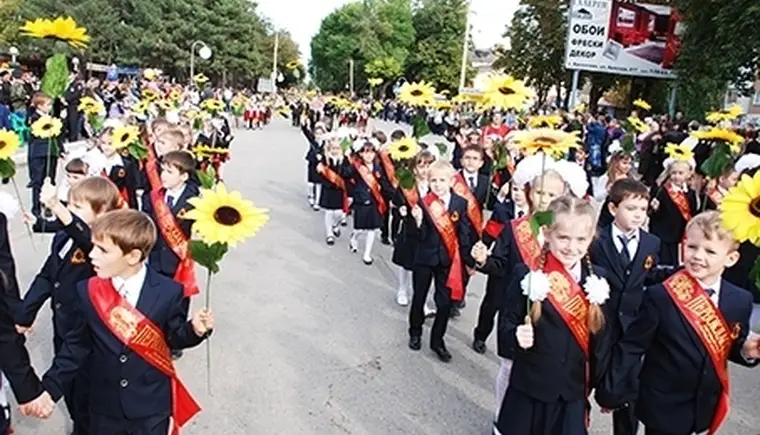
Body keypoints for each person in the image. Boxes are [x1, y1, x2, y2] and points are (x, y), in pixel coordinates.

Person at [31, 209, 214, 433]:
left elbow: (173, 337)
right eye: (94, 246)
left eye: (103, 250)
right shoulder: (88, 291)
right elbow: (76, 346)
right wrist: (50, 388)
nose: (92, 255)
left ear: (133, 256)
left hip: (150, 405)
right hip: (104, 406)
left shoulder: (168, 291)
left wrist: (194, 330)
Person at [596, 211, 760, 435]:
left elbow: (726, 344)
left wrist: (746, 350)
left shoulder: (740, 300)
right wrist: (611, 390)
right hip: (663, 405)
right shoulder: (661, 296)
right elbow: (632, 346)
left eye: (710, 251)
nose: (697, 256)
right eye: (692, 247)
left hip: (705, 406)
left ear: (731, 259)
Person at [15, 176, 124, 434]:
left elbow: (85, 236)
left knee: (87, 392)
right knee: (72, 388)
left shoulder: (101, 246)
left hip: (87, 334)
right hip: (63, 326)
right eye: (70, 204)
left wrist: (59, 208)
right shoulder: (63, 237)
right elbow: (47, 276)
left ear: (103, 214)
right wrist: (25, 313)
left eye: (78, 207)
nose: (70, 211)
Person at [495, 195, 610, 435]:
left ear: (591, 239)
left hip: (572, 393)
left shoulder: (597, 280)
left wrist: (606, 387)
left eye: (581, 239)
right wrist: (515, 334)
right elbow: (506, 325)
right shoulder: (525, 273)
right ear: (547, 234)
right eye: (563, 238)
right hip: (530, 388)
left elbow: (601, 342)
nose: (571, 247)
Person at [589, 179, 667, 435]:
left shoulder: (651, 243)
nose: (638, 215)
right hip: (600, 324)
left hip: (633, 329)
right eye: (631, 208)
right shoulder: (596, 240)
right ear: (613, 209)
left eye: (642, 210)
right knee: (587, 380)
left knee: (627, 393)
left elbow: (649, 275)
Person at [407, 160, 475, 362]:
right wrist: (417, 222)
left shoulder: (459, 204)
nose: (437, 184)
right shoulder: (424, 202)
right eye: (433, 180)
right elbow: (415, 235)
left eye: (442, 180)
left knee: (444, 304)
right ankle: (415, 331)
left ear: (452, 181)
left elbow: (464, 235)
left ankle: (438, 340)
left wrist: (468, 261)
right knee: (419, 297)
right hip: (425, 258)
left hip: (447, 261)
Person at [141, 150, 201, 359]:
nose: (163, 176)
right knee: (155, 299)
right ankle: (155, 337)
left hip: (180, 260)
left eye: (169, 172)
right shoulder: (154, 197)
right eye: (162, 170)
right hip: (156, 257)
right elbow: (146, 223)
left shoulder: (195, 200)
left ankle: (176, 340)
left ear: (184, 176)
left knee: (178, 302)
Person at [649, 158, 698, 266]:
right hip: (664, 232)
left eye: (680, 173)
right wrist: (655, 209)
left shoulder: (690, 193)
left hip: (680, 232)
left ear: (689, 174)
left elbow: (693, 212)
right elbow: (652, 214)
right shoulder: (662, 191)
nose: (676, 176)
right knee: (664, 261)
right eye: (673, 173)